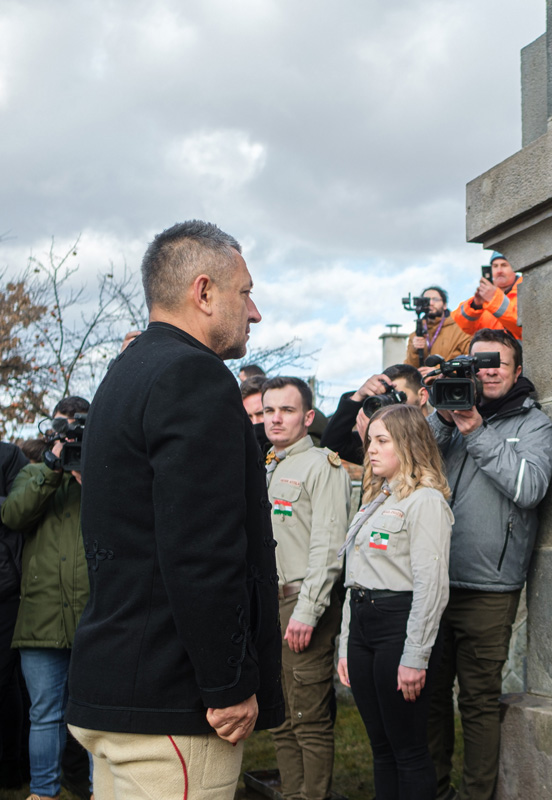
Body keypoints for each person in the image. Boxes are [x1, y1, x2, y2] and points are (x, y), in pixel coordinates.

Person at [66, 220, 284, 800]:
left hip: (121, 688)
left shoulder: (126, 373)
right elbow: (200, 551)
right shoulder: (194, 376)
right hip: (172, 705)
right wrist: (228, 683)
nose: (255, 312)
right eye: (246, 292)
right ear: (204, 291)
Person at [425, 328, 552, 800]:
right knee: (429, 697)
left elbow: (528, 489)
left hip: (489, 588)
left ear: (517, 370)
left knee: (478, 703)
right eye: (479, 364)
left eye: (498, 363)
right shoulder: (449, 415)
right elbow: (409, 463)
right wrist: (441, 419)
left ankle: (477, 795)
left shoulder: (534, 426)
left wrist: (475, 431)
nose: (488, 371)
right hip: (433, 583)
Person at [335, 404, 453, 800]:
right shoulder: (377, 499)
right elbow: (356, 576)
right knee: (381, 747)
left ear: (409, 443)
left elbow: (431, 585)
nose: (371, 450)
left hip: (399, 627)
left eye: (382, 441)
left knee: (408, 749)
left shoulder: (426, 502)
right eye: (371, 441)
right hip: (365, 625)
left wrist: (415, 656)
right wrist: (346, 644)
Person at [261, 376, 352, 800]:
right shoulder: (270, 465)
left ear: (308, 417)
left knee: (308, 718)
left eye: (287, 410)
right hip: (270, 604)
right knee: (280, 716)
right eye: (269, 410)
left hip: (302, 603)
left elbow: (329, 547)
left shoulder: (322, 465)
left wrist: (307, 611)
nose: (276, 418)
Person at [3, 397, 91, 800]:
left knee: (95, 715)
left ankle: (99, 790)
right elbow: (14, 515)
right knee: (45, 715)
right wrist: (54, 468)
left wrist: (93, 474)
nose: (71, 437)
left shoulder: (108, 473)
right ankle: (42, 792)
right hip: (41, 617)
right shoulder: (34, 473)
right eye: (64, 430)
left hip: (94, 616)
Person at [323, 364, 430, 465]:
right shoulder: (378, 437)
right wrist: (358, 397)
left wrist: (375, 445)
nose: (392, 406)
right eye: (387, 397)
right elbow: (331, 444)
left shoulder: (441, 435)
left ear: (422, 396)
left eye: (398, 397)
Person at [0, 440, 30, 790]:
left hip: (6, 587)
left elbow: (22, 508)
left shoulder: (9, 456)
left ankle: (13, 765)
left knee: (5, 680)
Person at [451, 252, 523, 340]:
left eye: (504, 265)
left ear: (515, 268)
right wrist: (475, 305)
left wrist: (494, 299)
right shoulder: (485, 298)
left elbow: (524, 326)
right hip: (489, 351)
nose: (499, 271)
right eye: (495, 266)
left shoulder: (526, 290)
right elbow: (461, 326)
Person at [407, 286, 471, 374]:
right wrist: (415, 351)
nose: (431, 303)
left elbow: (469, 360)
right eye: (426, 300)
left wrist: (439, 370)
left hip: (450, 384)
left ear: (445, 305)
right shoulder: (415, 335)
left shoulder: (461, 329)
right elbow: (410, 369)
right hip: (423, 384)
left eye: (435, 299)